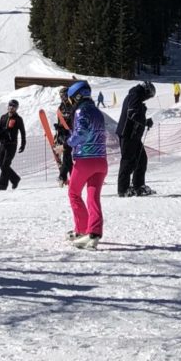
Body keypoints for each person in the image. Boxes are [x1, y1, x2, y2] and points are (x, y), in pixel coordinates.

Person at [64, 80, 108, 247]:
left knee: (74, 193)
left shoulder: (81, 111)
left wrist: (66, 144)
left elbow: (81, 134)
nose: (70, 103)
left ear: (76, 97)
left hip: (85, 160)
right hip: (101, 161)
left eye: (70, 99)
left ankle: (82, 229)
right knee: (93, 197)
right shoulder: (98, 111)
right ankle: (93, 234)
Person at [116, 82, 155, 196]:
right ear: (146, 91)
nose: (148, 98)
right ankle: (123, 189)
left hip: (134, 135)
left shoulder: (135, 95)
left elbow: (135, 113)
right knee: (128, 161)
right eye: (149, 96)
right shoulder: (135, 95)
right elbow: (132, 113)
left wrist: (144, 121)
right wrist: (144, 121)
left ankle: (138, 186)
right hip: (128, 134)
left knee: (141, 160)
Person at [0, 99, 27, 190]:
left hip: (12, 145)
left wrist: (23, 144)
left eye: (13, 106)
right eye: (10, 105)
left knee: (5, 165)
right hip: (3, 144)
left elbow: (23, 132)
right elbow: (0, 128)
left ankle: (2, 186)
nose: (11, 107)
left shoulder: (18, 119)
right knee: (0, 163)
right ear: (8, 106)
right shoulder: (3, 117)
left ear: (16, 108)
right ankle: (15, 179)